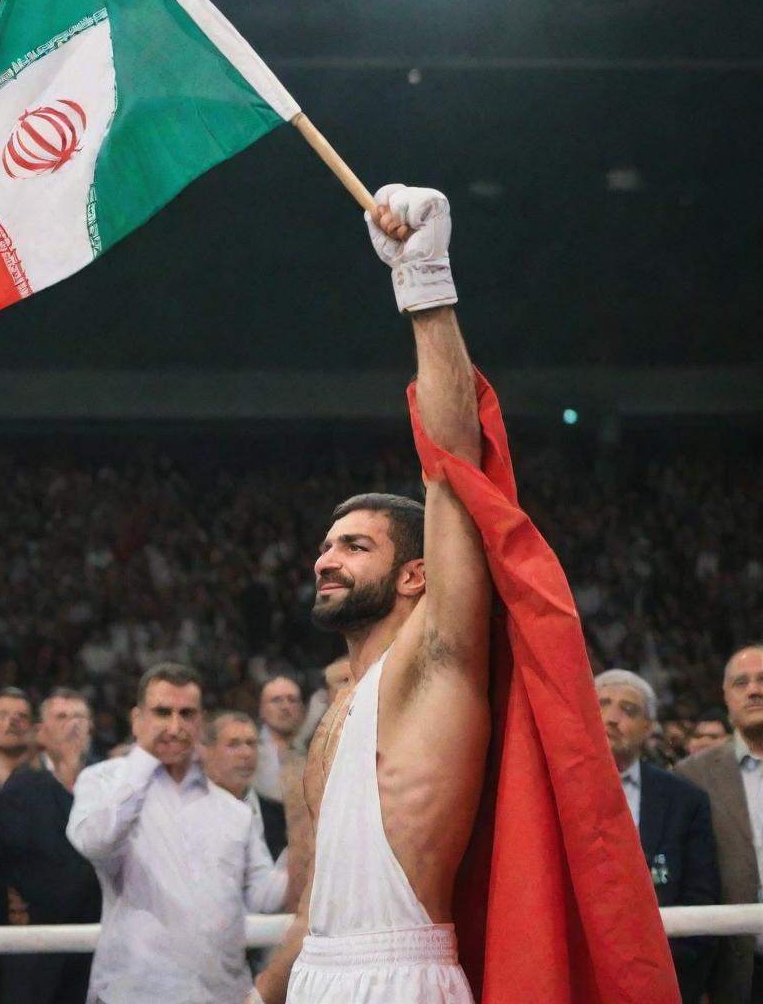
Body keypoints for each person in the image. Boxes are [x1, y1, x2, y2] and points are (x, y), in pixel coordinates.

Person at [254, 186, 677, 1004]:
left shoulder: (435, 662)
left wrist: (425, 289)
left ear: (416, 575)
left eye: (354, 546)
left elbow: (452, 462)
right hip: (316, 979)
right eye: (324, 546)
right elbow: (316, 904)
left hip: (404, 978)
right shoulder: (330, 712)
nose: (325, 561)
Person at [66, 662, 286, 1004]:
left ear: (201, 721)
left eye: (186, 714)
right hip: (136, 994)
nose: (175, 726)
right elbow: (95, 843)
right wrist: (143, 761)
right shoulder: (102, 780)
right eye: (162, 712)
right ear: (137, 718)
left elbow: (264, 898)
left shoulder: (233, 810)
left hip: (222, 994)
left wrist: (304, 848)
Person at [595, 669, 719, 1003]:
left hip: (661, 976)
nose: (612, 718)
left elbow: (701, 897)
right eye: (602, 704)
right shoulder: (551, 791)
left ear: (648, 728)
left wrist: (656, 971)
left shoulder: (684, 800)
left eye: (629, 710)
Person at [0, 688, 102, 1004]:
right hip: (39, 944)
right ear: (41, 731)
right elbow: (12, 859)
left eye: (80, 717)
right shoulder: (21, 785)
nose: (73, 725)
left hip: (100, 941)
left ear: (91, 726)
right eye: (62, 717)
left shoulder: (110, 780)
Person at [678, 644, 763, 1004]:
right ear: (726, 697)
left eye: (762, 680)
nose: (754, 690)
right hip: (731, 972)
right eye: (741, 683)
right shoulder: (690, 776)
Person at [202, 709, 289, 862]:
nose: (246, 753)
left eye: (251, 743)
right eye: (233, 744)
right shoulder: (191, 813)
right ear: (209, 752)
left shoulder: (278, 817)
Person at [253, 674, 304, 803]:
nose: (285, 707)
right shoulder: (248, 750)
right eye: (276, 700)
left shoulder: (313, 752)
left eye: (292, 700)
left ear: (301, 709)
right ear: (261, 709)